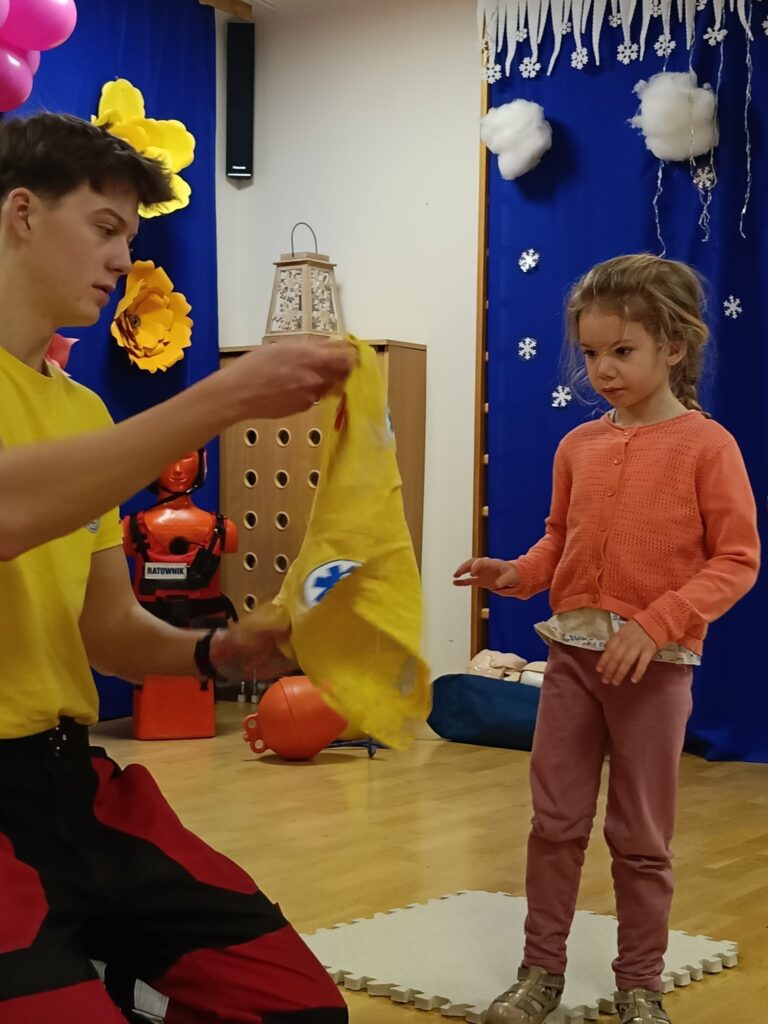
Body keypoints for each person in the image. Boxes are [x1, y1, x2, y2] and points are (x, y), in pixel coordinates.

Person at [0, 112, 353, 1023]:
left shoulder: (84, 412)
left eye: (131, 237)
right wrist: (224, 397)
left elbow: (107, 629)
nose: (123, 259)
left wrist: (218, 653)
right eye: (105, 228)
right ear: (23, 213)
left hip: (69, 787)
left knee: (296, 1009)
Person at [454, 254, 760, 1024]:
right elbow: (561, 540)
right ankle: (540, 973)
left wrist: (655, 624)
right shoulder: (578, 447)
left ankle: (639, 986)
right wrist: (516, 574)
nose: (603, 370)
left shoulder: (708, 447)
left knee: (641, 837)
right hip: (571, 663)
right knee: (554, 823)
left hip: (654, 672)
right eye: (591, 353)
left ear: (674, 347)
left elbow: (737, 561)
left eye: (622, 351)